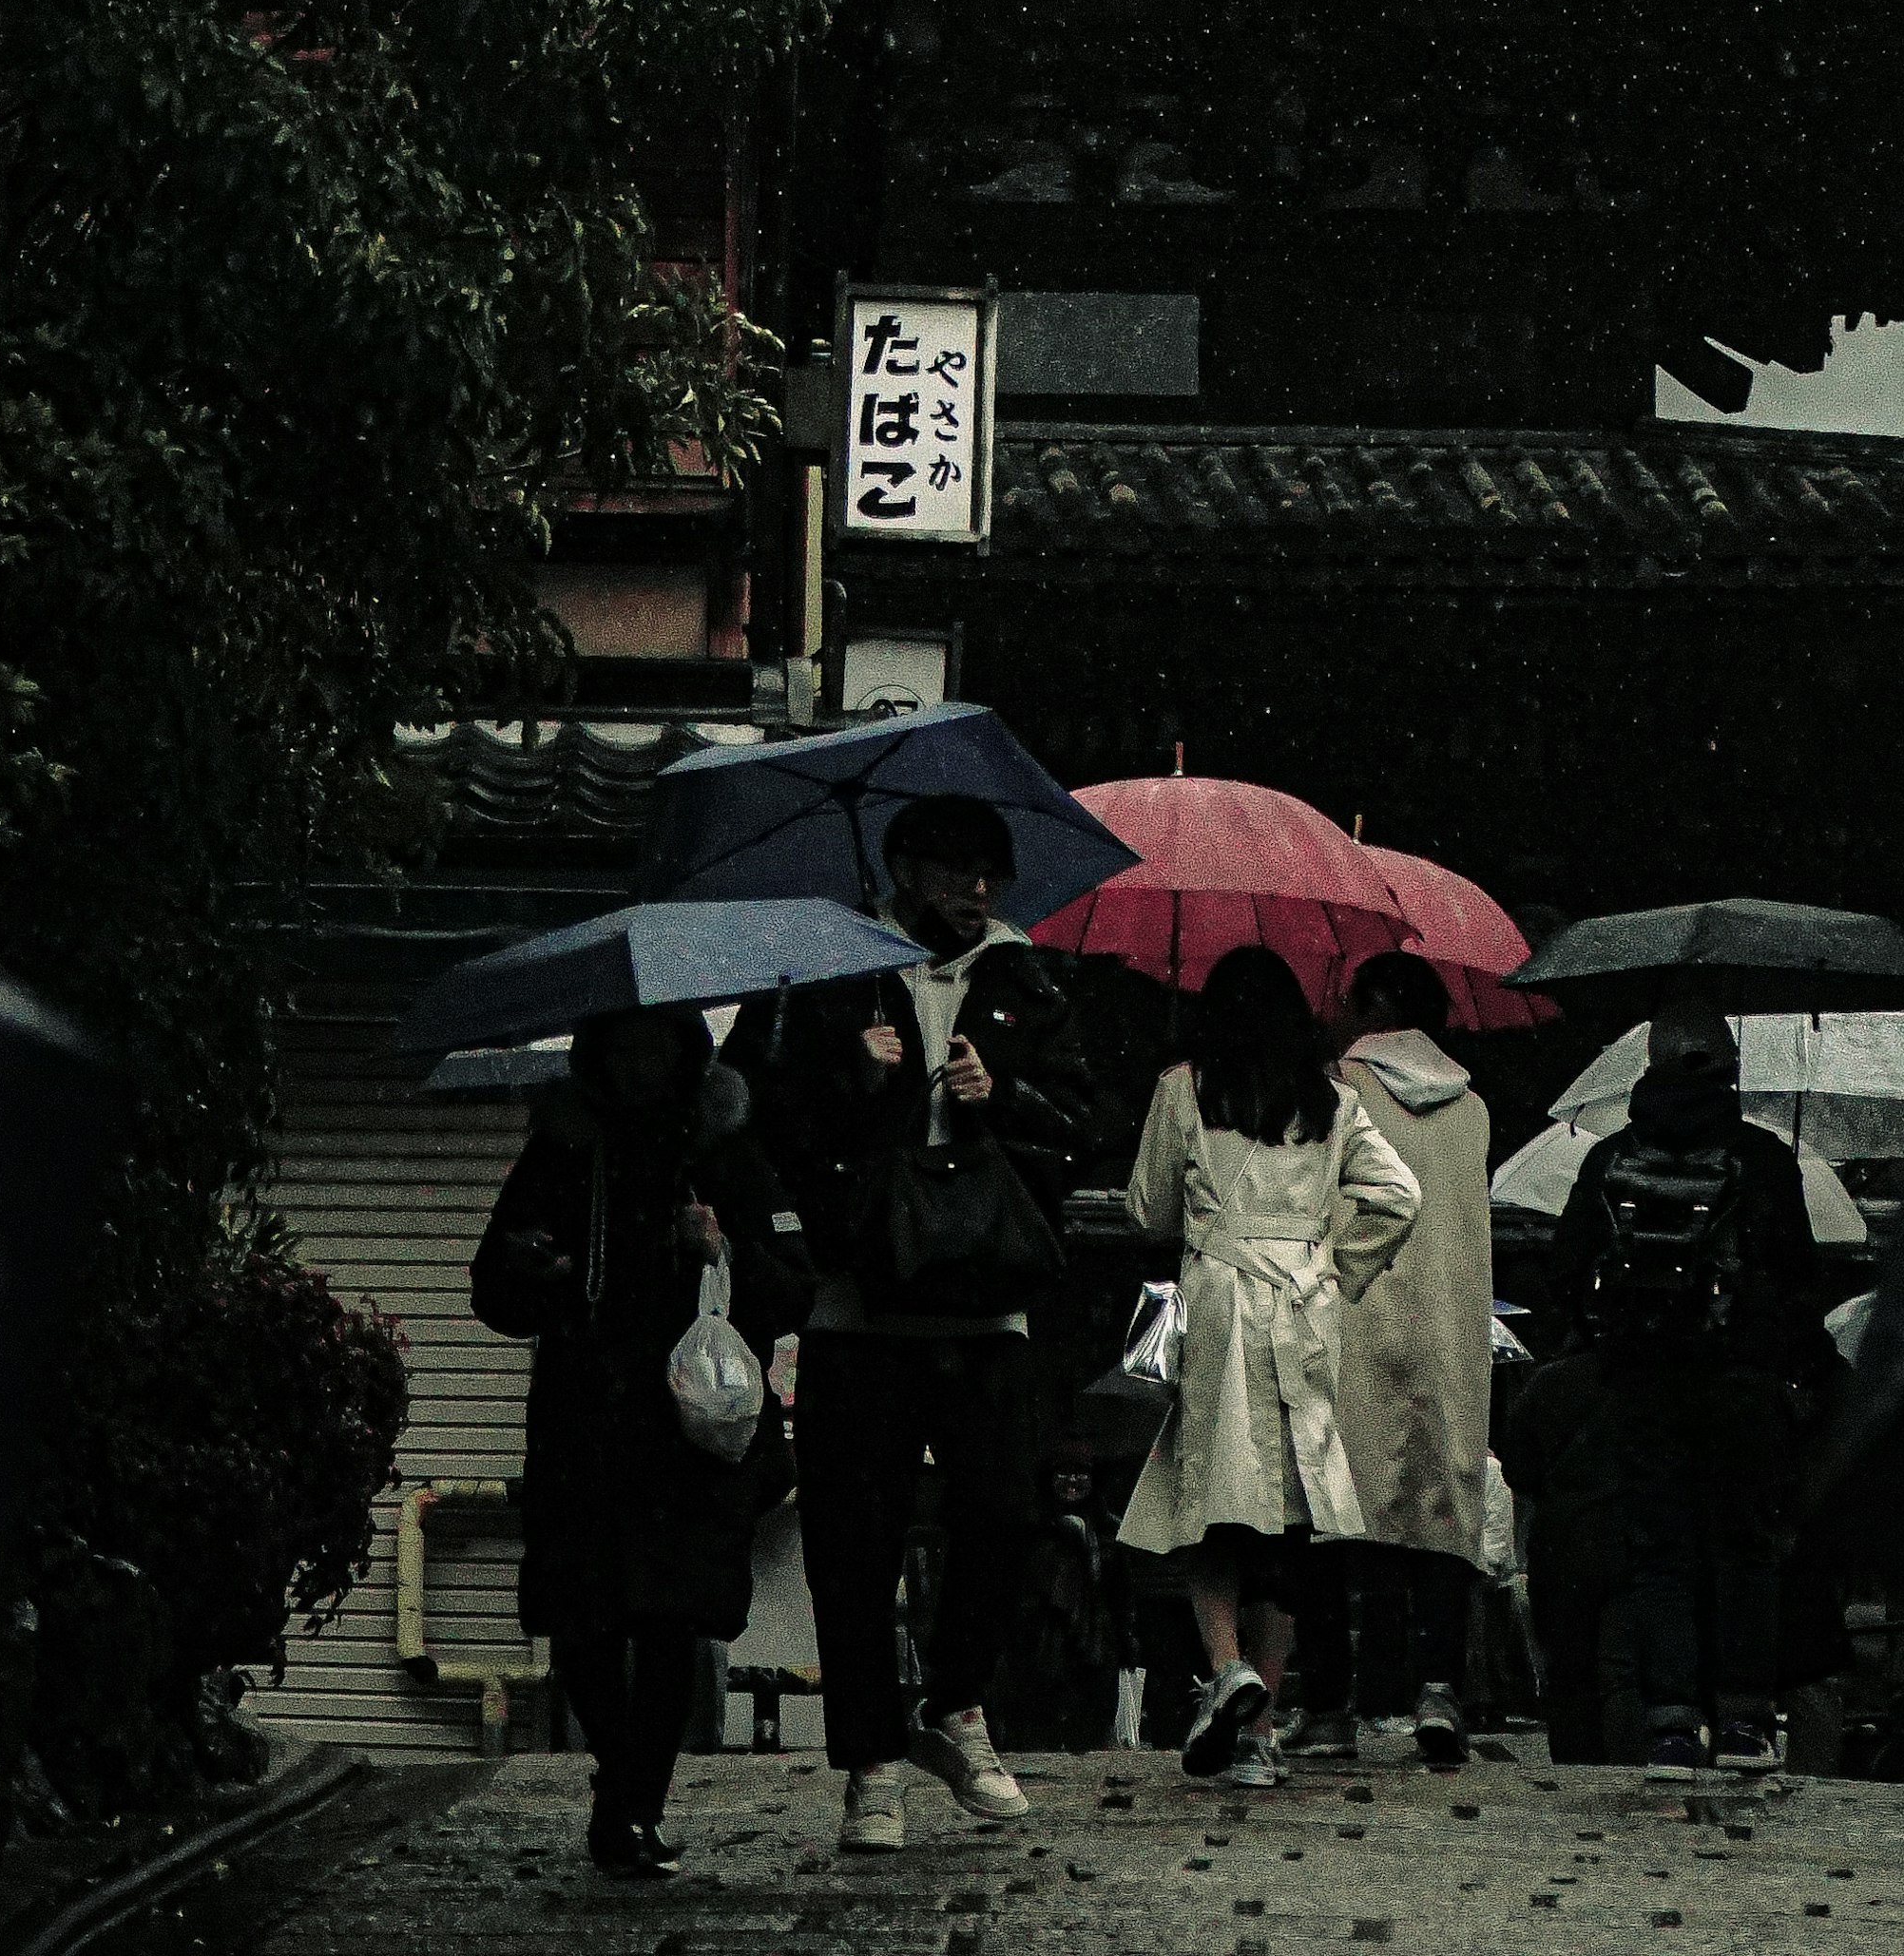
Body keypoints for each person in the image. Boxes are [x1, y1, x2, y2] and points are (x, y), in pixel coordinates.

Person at [755, 791, 1099, 1856]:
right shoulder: (829, 978)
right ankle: (871, 1766)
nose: (978, 892)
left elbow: (1086, 1127)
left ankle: (955, 1705)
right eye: (955, 870)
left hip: (986, 1300)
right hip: (860, 1309)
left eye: (991, 874)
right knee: (851, 1548)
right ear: (903, 869)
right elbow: (775, 1130)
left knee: (1004, 1514)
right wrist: (857, 1083)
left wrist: (1004, 1097)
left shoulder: (1027, 980)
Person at [469, 1006, 809, 1883]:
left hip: (685, 1428)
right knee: (584, 1614)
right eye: (622, 1045)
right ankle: (619, 1786)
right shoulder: (564, 1152)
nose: (638, 1063)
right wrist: (534, 1267)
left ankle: (638, 1801)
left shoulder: (724, 1153)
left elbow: (788, 1292)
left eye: (654, 1044)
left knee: (669, 1618)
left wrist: (717, 1249)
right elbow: (492, 1291)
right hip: (586, 1418)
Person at [1118, 942, 1424, 1790]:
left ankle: (1226, 1672)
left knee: (1212, 1501)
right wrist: (1334, 1264)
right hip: (1306, 1308)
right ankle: (1261, 1732)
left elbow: (1147, 1208)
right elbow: (1400, 1197)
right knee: (1290, 1517)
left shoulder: (1183, 1089)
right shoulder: (1331, 1100)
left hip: (1219, 1304)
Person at [1537, 997, 1832, 1781]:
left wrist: (1607, 1343)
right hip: (1742, 1384)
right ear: (1733, 1071)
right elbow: (1802, 1281)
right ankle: (1743, 1719)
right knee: (1745, 1547)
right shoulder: (1765, 1158)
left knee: (1657, 1550)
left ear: (1652, 1066)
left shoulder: (1611, 1158)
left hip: (1642, 1380)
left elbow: (1565, 1272)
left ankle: (1672, 1726)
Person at [1294, 949, 1497, 1772]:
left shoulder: (1334, 1092)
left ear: (1373, 1005)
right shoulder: (1473, 1107)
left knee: (1329, 1505)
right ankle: (1440, 1687)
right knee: (1441, 1503)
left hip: (1349, 1312)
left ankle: (1330, 1707)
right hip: (1448, 1327)